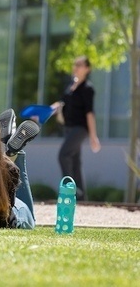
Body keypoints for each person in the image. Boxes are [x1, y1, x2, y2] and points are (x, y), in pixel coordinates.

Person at [51, 56, 101, 201]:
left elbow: (89, 113)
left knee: (63, 155)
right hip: (68, 128)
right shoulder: (70, 87)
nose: (76, 67)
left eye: (79, 65)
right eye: (75, 65)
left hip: (80, 129)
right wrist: (47, 111)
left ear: (87, 69)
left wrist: (93, 136)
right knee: (75, 161)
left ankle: (70, 191)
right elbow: (61, 103)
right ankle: (82, 197)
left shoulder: (87, 89)